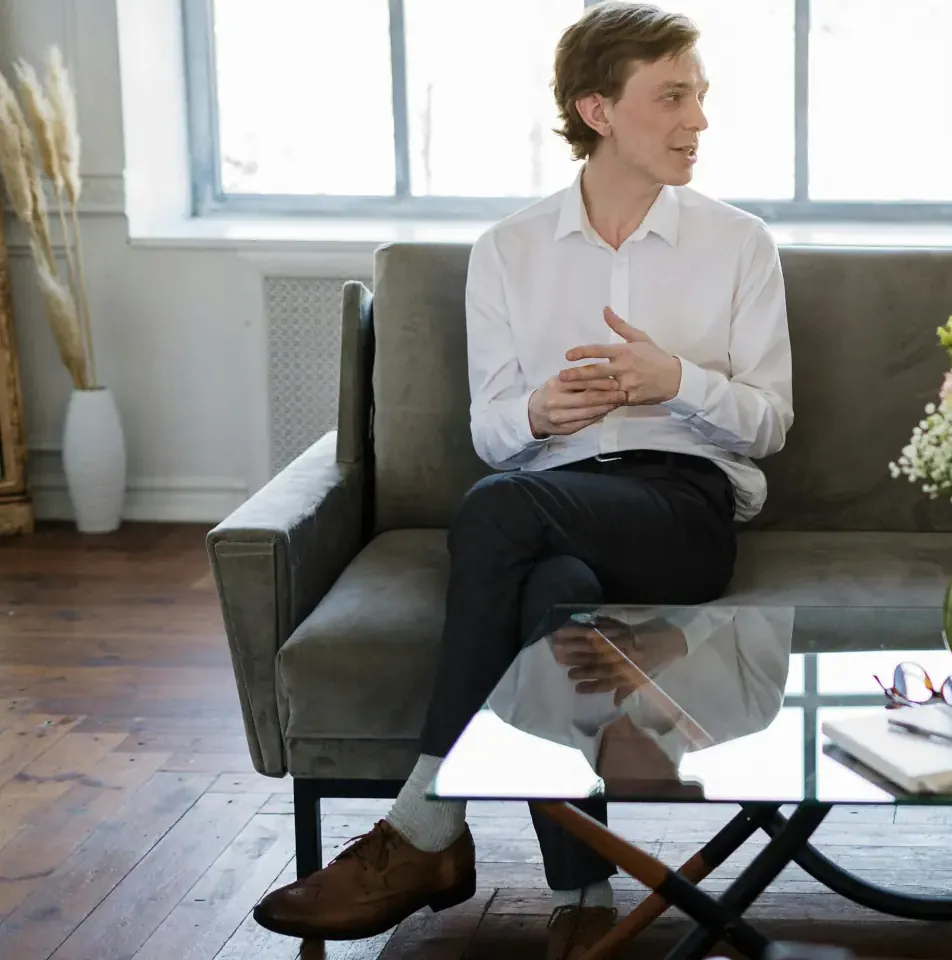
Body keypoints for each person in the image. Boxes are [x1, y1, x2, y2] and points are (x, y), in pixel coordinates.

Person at [249, 4, 794, 957]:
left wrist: (681, 383)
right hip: (553, 506)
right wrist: (541, 416)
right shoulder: (507, 251)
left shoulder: (739, 243)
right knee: (555, 594)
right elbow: (494, 432)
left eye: (700, 96)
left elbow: (771, 422)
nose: (698, 119)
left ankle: (425, 828)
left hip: (684, 511)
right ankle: (585, 898)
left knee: (502, 510)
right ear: (597, 108)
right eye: (672, 96)